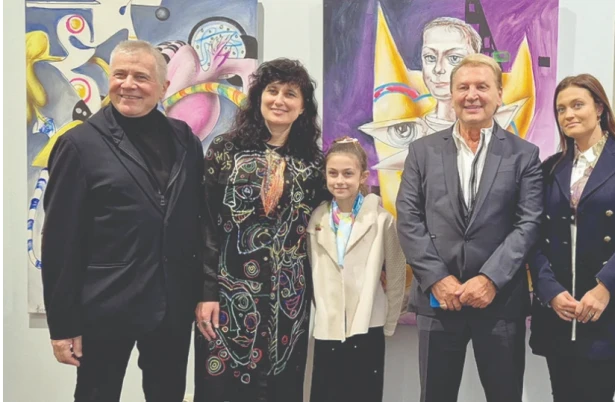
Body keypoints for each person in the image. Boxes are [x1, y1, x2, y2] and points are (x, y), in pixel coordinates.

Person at [41, 39, 204, 402]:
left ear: (163, 87)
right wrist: (62, 325)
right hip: (104, 308)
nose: (128, 84)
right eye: (120, 75)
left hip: (171, 308)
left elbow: (196, 222)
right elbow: (59, 243)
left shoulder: (185, 140)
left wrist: (203, 292)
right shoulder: (78, 145)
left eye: (141, 77)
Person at [396, 53, 543, 402]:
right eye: (463, 87)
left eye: (482, 86)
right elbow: (409, 217)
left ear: (499, 94)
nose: (472, 95)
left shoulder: (524, 155)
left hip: (499, 301)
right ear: (451, 94)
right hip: (439, 302)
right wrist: (437, 278)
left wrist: (490, 279)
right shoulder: (421, 151)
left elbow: (529, 222)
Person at [195, 58, 329, 402]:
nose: (280, 100)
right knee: (221, 388)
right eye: (272, 91)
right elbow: (205, 223)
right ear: (258, 98)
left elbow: (326, 229)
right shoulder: (226, 151)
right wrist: (207, 292)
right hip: (228, 294)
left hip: (289, 301)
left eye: (291, 94)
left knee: (281, 388)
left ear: (303, 107)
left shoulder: (313, 164)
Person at [528, 74, 615, 402]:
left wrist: (604, 288)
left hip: (608, 305)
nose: (568, 115)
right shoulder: (550, 168)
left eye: (577, 105)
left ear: (599, 108)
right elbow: (534, 236)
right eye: (561, 109)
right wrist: (549, 290)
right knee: (562, 396)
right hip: (559, 309)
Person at [307, 137, 406, 402]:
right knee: (326, 394)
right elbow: (312, 270)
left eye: (348, 174)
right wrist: (323, 309)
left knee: (363, 393)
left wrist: (389, 322)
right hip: (328, 325)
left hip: (368, 324)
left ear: (363, 176)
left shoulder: (382, 220)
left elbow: (397, 272)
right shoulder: (317, 219)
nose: (340, 180)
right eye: (333, 173)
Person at [420, 17, 481, 132]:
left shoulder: (490, 127)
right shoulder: (413, 131)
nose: (438, 69)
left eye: (454, 58)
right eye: (430, 57)